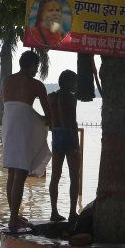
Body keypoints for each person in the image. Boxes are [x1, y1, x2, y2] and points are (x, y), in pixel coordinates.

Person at [2, 51, 52, 232]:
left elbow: (13, 106)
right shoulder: (36, 85)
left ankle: (14, 215)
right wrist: (47, 121)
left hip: (8, 126)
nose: (37, 70)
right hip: (22, 128)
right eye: (36, 67)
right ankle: (14, 219)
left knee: (12, 172)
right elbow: (49, 113)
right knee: (20, 173)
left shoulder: (7, 82)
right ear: (31, 65)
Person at [47, 70, 81, 223]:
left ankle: (54, 212)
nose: (76, 85)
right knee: (74, 176)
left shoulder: (51, 96)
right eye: (74, 81)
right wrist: (75, 144)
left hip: (56, 135)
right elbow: (71, 121)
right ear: (67, 82)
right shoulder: (71, 98)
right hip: (69, 135)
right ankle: (73, 212)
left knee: (55, 175)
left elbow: (49, 120)